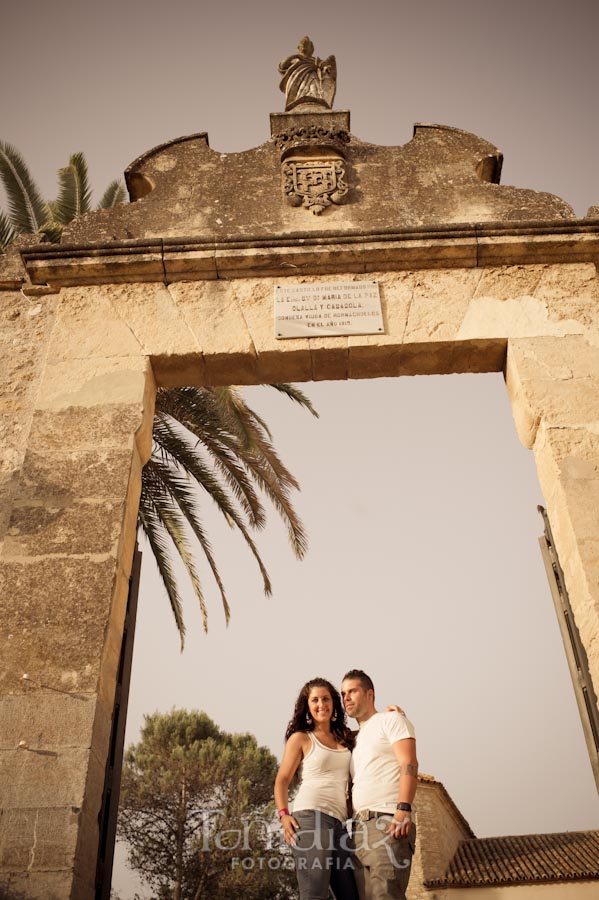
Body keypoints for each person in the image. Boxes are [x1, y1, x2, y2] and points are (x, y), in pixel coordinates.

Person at [274, 677, 359, 900]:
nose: (321, 704)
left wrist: (388, 714)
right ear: (307, 707)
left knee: (351, 894)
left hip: (339, 824)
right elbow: (282, 779)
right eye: (315, 700)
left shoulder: (346, 738)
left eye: (326, 699)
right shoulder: (301, 738)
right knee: (315, 893)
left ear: (334, 703)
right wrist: (283, 815)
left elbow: (372, 728)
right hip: (310, 817)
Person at [341, 670, 418, 900]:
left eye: (352, 691)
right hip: (356, 830)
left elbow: (409, 762)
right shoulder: (354, 739)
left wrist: (404, 808)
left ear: (370, 694)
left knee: (386, 896)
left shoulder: (391, 720)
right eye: (343, 693)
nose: (346, 697)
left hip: (386, 822)